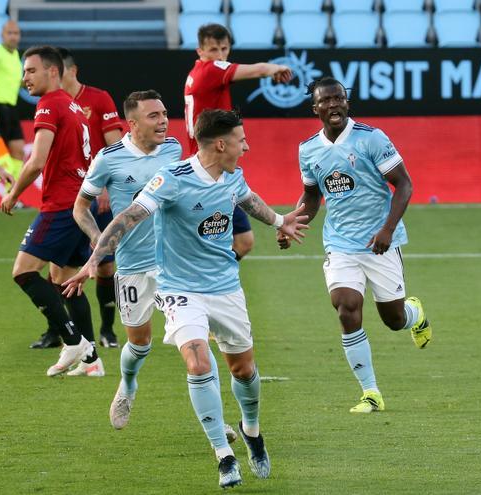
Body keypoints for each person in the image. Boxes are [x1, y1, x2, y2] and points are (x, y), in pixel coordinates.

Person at [64, 109, 309, 488]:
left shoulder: (232, 175)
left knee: (243, 370)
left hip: (225, 288)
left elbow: (248, 199)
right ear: (221, 144)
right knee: (196, 361)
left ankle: (252, 431)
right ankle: (223, 456)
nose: (247, 146)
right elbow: (128, 215)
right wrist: (95, 259)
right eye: (242, 140)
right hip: (179, 289)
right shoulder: (172, 180)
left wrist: (279, 221)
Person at [286, 76, 430, 414]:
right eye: (326, 100)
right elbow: (311, 195)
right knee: (346, 306)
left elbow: (404, 185)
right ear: (315, 108)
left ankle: (416, 315)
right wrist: (291, 222)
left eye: (339, 98)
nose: (333, 104)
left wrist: (387, 229)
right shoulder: (308, 149)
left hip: (380, 242)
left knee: (393, 320)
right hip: (340, 243)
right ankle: (371, 393)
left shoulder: (371, 139)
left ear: (346, 103)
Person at [72, 91, 181, 405]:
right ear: (132, 124)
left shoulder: (173, 149)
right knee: (139, 343)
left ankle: (216, 425)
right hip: (132, 265)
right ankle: (128, 383)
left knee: (193, 342)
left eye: (164, 114)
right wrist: (97, 238)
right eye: (154, 116)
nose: (163, 122)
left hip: (172, 264)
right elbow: (80, 207)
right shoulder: (109, 158)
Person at [1, 45, 99, 376]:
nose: (24, 77)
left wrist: (14, 193)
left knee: (23, 272)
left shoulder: (49, 105)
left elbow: (37, 160)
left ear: (52, 72)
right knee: (65, 280)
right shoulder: (73, 106)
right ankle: (92, 361)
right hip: (80, 202)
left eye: (30, 70)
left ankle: (74, 341)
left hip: (61, 205)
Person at [30, 47, 125, 351]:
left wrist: (108, 184)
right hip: (71, 198)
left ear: (68, 71)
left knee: (104, 268)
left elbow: (115, 147)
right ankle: (58, 331)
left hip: (98, 197)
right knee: (58, 271)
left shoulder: (97, 99)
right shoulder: (58, 104)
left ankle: (106, 331)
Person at [184, 23, 292, 261]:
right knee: (204, 243)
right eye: (213, 49)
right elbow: (253, 71)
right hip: (207, 171)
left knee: (243, 241)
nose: (220, 55)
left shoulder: (196, 74)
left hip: (217, 169)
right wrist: (275, 67)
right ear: (199, 51)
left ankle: (212, 279)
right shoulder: (210, 70)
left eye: (224, 49)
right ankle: (202, 282)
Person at [0, 20, 25, 176]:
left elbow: (16, 82)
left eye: (16, 33)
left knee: (18, 151)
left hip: (11, 110)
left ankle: (12, 196)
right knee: (0, 158)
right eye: (10, 33)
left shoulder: (15, 56)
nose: (13, 37)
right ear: (2, 35)